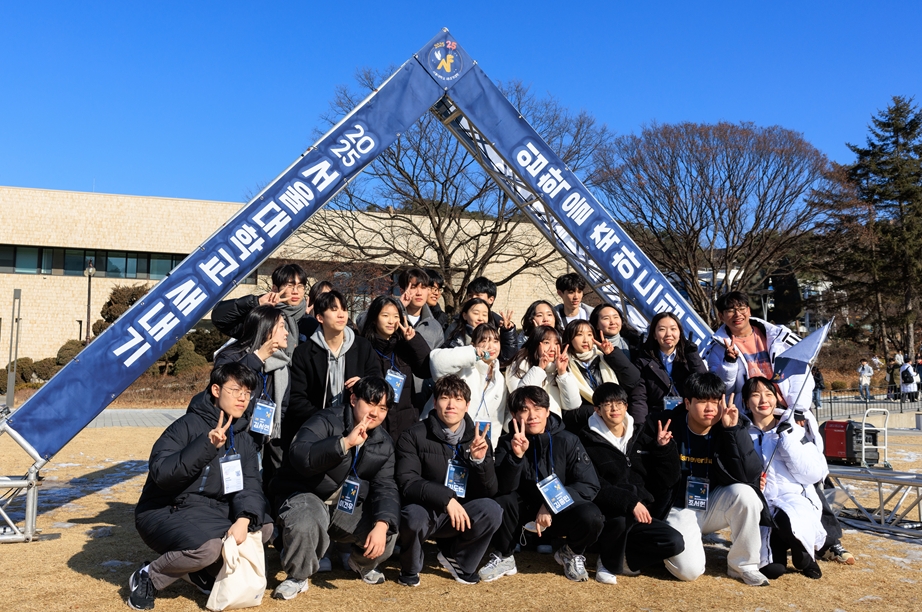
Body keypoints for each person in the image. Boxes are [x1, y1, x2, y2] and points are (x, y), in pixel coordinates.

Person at [129, 363, 272, 610]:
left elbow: (250, 484)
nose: (242, 398)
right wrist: (206, 445)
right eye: (236, 390)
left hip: (212, 511)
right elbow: (163, 474)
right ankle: (148, 577)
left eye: (247, 393)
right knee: (209, 548)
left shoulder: (244, 437)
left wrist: (244, 518)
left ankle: (197, 571)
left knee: (264, 528)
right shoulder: (186, 426)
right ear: (216, 390)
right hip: (166, 509)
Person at [269, 377, 400, 600]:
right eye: (370, 403)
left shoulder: (383, 442)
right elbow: (301, 454)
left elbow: (385, 486)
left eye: (382, 408)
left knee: (387, 530)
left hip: (344, 505)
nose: (375, 413)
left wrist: (382, 523)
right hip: (307, 494)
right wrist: (344, 443)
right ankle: (298, 577)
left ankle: (361, 563)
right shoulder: (325, 420)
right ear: (353, 399)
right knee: (305, 522)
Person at [638, 372, 770, 587]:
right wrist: (660, 449)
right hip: (678, 508)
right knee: (688, 571)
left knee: (747, 495)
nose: (711, 408)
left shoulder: (732, 425)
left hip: (713, 505)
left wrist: (732, 432)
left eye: (716, 401)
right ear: (688, 403)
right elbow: (646, 473)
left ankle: (744, 566)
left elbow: (749, 475)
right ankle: (670, 549)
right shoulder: (663, 424)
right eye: (702, 401)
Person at [481, 386, 603, 583]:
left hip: (556, 514)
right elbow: (501, 489)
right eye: (524, 410)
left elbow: (589, 484)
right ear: (514, 414)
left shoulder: (568, 440)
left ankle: (571, 553)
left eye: (538, 409)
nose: (532, 416)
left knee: (592, 515)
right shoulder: (506, 442)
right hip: (522, 515)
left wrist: (550, 504)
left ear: (547, 411)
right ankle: (504, 556)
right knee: (502, 499)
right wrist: (516, 457)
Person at [395, 375, 502, 586]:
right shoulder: (413, 435)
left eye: (458, 399)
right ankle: (410, 568)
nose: (451, 405)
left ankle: (459, 560)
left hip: (459, 515)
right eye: (445, 398)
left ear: (467, 405)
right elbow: (407, 481)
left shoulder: (478, 438)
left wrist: (479, 462)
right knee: (413, 515)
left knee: (492, 509)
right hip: (427, 510)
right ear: (434, 403)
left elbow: (490, 490)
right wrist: (446, 499)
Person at [577, 383, 685, 583]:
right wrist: (629, 502)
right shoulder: (586, 440)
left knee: (674, 542)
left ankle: (623, 558)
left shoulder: (642, 436)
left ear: (626, 406)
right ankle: (607, 562)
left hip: (642, 515)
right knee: (619, 520)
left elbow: (668, 479)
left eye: (619, 403)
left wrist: (663, 449)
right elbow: (592, 483)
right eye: (607, 404)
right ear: (597, 410)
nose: (614, 409)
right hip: (608, 515)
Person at [742, 376, 827, 580]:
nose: (763, 399)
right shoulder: (741, 433)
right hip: (762, 506)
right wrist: (751, 484)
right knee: (772, 571)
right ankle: (781, 541)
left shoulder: (794, 430)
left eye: (769, 394)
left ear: (777, 398)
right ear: (746, 402)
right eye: (755, 395)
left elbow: (814, 473)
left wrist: (787, 440)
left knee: (788, 517)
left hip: (794, 500)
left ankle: (805, 557)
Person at [286, 290, 382, 456]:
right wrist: (325, 422)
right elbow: (296, 398)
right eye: (334, 309)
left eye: (344, 309)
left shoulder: (362, 347)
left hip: (358, 428)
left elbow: (379, 383)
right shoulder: (304, 353)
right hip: (318, 432)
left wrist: (363, 383)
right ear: (320, 317)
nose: (341, 315)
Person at [213, 305, 291, 499]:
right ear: (266, 330)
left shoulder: (281, 364)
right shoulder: (231, 356)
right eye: (281, 326)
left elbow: (282, 406)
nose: (287, 332)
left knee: (249, 496)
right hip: (227, 441)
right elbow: (227, 388)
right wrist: (256, 359)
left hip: (256, 445)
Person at [703, 291, 809, 409]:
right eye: (730, 311)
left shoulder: (778, 337)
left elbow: (799, 375)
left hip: (785, 409)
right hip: (750, 415)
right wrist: (729, 363)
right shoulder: (717, 348)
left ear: (749, 310)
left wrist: (798, 408)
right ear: (721, 316)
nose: (737, 314)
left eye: (742, 308)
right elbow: (723, 390)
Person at [360, 295, 432, 442]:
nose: (391, 321)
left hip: (405, 425)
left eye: (395, 316)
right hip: (375, 427)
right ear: (374, 318)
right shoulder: (364, 348)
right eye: (385, 315)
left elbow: (426, 370)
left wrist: (414, 340)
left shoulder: (405, 347)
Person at [425, 323, 508, 449]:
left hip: (475, 445)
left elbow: (497, 420)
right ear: (473, 345)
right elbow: (436, 362)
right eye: (484, 340)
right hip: (440, 436)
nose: (490, 346)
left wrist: (490, 450)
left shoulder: (500, 379)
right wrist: (472, 354)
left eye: (495, 341)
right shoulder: (463, 366)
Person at [562, 319, 640, 431]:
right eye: (579, 335)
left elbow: (633, 379)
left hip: (617, 419)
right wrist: (600, 410)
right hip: (586, 426)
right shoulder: (564, 364)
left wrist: (612, 354)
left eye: (589, 335)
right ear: (570, 339)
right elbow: (570, 408)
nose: (585, 340)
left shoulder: (605, 358)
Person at [211, 263, 312, 349]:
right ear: (275, 289)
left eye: (300, 286)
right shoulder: (261, 318)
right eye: (289, 286)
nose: (295, 292)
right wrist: (256, 302)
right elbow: (219, 318)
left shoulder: (309, 323)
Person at [630, 312, 707, 423]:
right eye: (662, 329)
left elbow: (704, 385)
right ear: (654, 335)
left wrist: (693, 356)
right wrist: (640, 427)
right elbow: (639, 398)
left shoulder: (689, 356)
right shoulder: (643, 361)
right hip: (658, 419)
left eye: (673, 329)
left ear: (680, 333)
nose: (668, 334)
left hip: (689, 418)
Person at [506, 326, 582, 417]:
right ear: (535, 344)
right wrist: (539, 369)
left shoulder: (558, 368)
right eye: (546, 342)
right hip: (524, 424)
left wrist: (562, 373)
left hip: (552, 425)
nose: (552, 348)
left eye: (556, 343)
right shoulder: (518, 365)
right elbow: (520, 399)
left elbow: (573, 404)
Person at [396, 268, 445, 351]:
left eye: (423, 287)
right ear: (402, 291)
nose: (419, 293)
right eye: (413, 287)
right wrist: (398, 306)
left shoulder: (435, 326)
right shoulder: (392, 319)